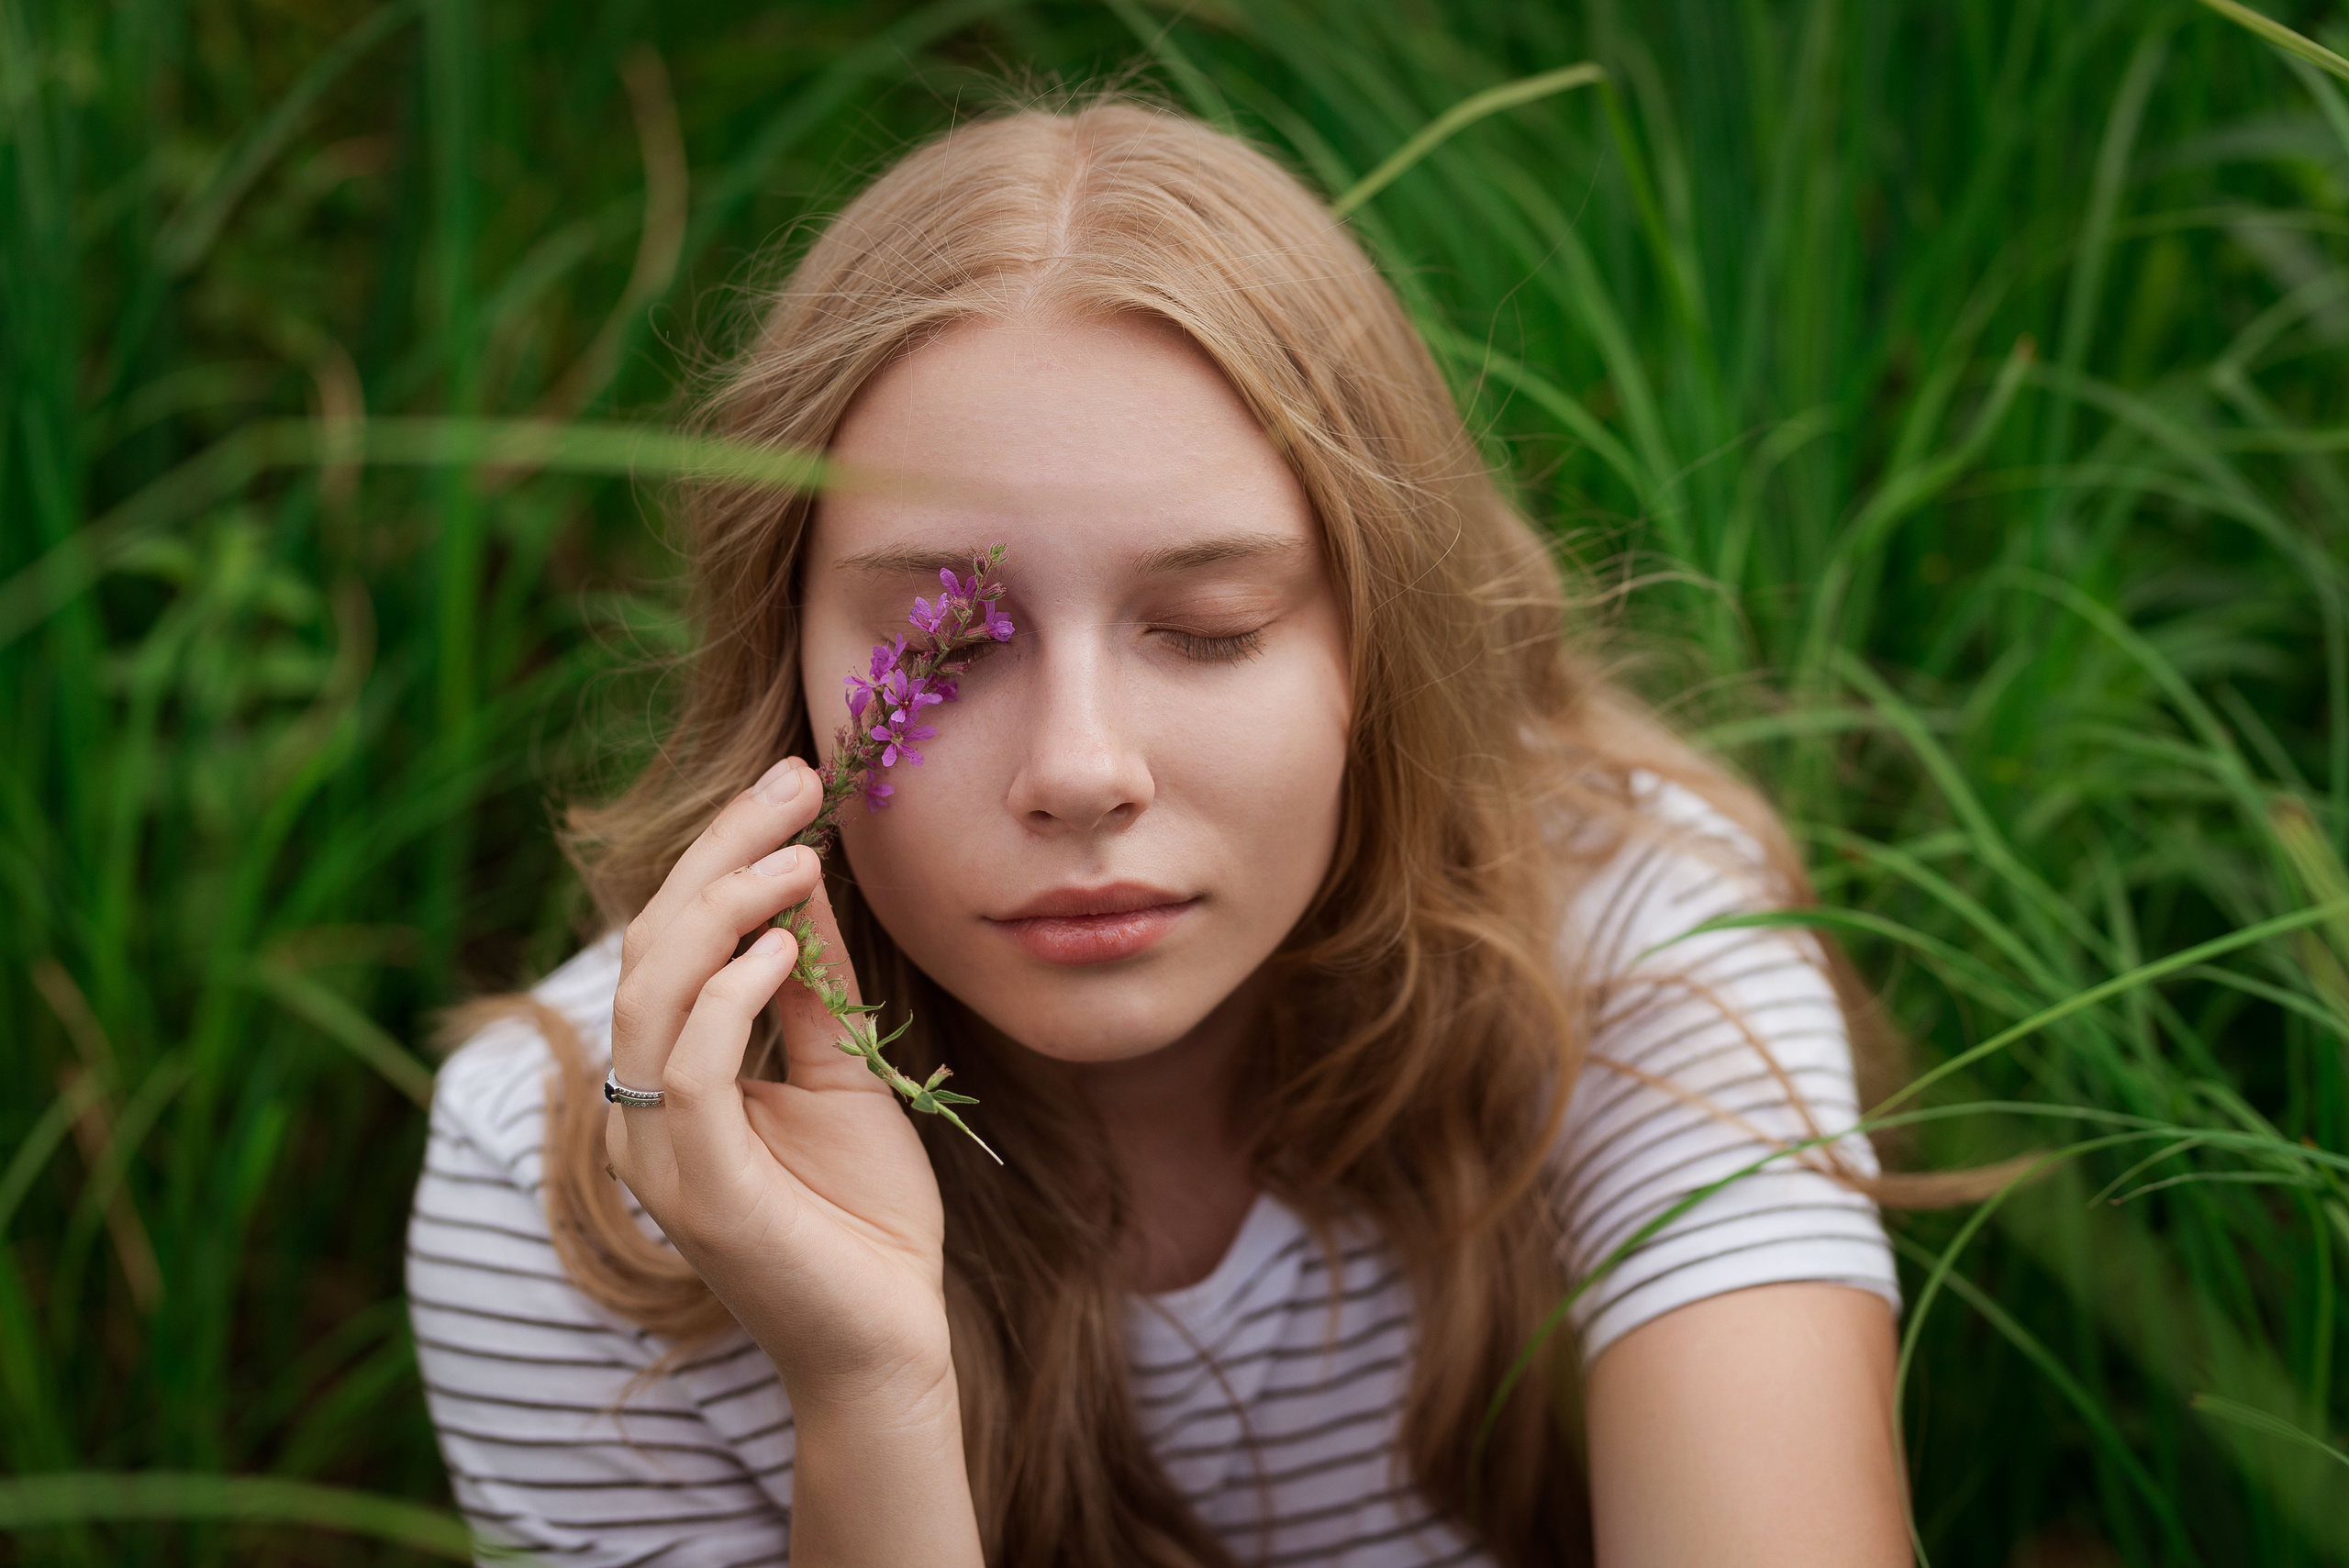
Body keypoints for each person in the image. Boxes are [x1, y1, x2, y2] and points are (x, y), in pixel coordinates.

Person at [407, 99, 1959, 1568]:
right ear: (786, 649)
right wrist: (870, 1393)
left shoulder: (1629, 944)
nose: (1082, 770)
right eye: (957, 645)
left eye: (1209, 626)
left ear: (1378, 645)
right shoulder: (569, 1178)